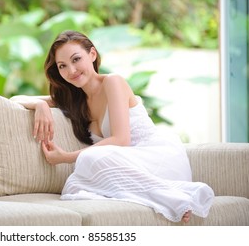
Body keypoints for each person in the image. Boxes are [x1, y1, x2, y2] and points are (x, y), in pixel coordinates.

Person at [11, 30, 214, 223]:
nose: (71, 70)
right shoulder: (74, 100)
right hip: (125, 166)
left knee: (88, 160)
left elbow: (121, 140)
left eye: (76, 59)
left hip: (157, 160)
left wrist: (65, 157)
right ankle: (156, 197)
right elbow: (15, 99)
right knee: (74, 185)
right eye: (62, 65)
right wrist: (40, 105)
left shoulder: (113, 82)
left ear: (92, 54)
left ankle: (174, 197)